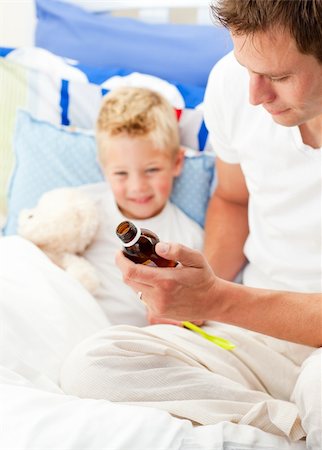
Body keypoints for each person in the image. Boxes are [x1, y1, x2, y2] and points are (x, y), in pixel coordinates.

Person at [60, 1, 321, 447]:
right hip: (253, 332)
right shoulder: (232, 83)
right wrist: (190, 299)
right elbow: (233, 199)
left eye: (278, 77)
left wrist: (219, 299)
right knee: (93, 364)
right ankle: (291, 428)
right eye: (246, 67)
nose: (255, 95)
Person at [78, 86, 203, 326]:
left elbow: (198, 301)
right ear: (103, 168)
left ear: (177, 162)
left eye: (152, 170)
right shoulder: (82, 209)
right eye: (121, 173)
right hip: (72, 316)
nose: (137, 187)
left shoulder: (187, 241)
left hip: (130, 339)